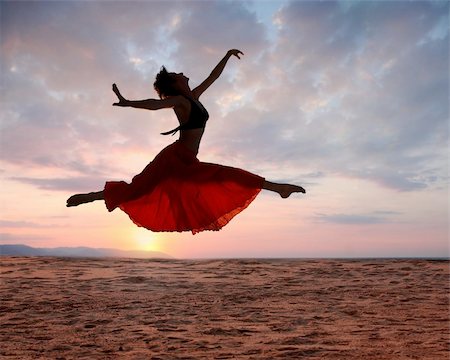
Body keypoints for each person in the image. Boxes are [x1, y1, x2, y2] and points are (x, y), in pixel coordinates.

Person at [66, 49, 305, 234]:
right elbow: (154, 104)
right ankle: (89, 197)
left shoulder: (194, 96)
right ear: (175, 83)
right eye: (177, 73)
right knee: (136, 190)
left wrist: (227, 55)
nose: (182, 72)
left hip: (188, 160)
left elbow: (214, 76)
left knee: (224, 176)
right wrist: (129, 103)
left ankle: (279, 188)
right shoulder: (180, 101)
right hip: (174, 159)